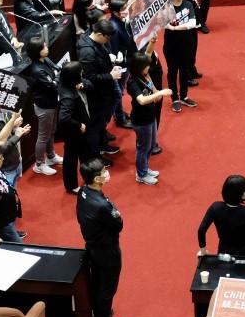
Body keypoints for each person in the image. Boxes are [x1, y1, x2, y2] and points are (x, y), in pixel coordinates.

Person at [77, 159, 129, 317]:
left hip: (92, 245)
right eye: (104, 172)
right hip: (107, 249)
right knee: (107, 286)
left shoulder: (83, 191)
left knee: (97, 281)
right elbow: (118, 224)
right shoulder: (102, 205)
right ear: (97, 179)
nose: (107, 173)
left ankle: (99, 312)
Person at [77, 19, 122, 158]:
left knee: (101, 123)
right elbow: (90, 77)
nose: (108, 41)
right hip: (96, 96)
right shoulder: (87, 51)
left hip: (104, 93)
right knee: (95, 127)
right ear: (100, 34)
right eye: (107, 38)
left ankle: (103, 146)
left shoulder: (96, 43)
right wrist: (110, 75)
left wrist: (111, 67)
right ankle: (96, 157)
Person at [126, 51, 169, 185]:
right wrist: (161, 92)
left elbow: (153, 90)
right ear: (139, 67)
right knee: (143, 148)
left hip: (151, 116)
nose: (148, 67)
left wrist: (157, 93)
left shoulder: (146, 76)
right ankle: (141, 174)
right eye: (146, 66)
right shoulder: (132, 83)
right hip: (141, 120)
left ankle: (145, 168)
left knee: (151, 146)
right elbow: (142, 100)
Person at [26, 37, 63, 176]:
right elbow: (52, 85)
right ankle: (39, 164)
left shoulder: (45, 60)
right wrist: (58, 76)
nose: (47, 47)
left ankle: (51, 156)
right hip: (44, 106)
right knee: (43, 135)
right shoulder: (37, 70)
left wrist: (57, 76)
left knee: (51, 131)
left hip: (52, 102)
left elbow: (57, 70)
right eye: (44, 47)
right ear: (37, 51)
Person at [198, 175, 245, 257]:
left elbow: (201, 230)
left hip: (224, 251)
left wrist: (203, 251)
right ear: (242, 196)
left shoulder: (215, 207)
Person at [163, 0, 200, 112]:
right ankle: (175, 99)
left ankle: (184, 96)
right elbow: (163, 24)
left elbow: (192, 23)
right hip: (171, 46)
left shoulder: (188, 5)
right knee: (172, 72)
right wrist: (172, 27)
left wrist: (175, 28)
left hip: (187, 44)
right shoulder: (166, 7)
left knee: (185, 71)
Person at [58, 62, 92, 193]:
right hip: (73, 132)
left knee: (84, 154)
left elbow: (89, 84)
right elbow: (64, 118)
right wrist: (79, 125)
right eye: (80, 72)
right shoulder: (68, 97)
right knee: (71, 158)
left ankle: (87, 177)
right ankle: (72, 186)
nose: (82, 72)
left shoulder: (65, 81)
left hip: (78, 130)